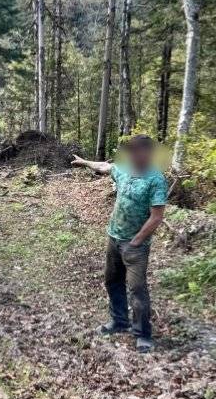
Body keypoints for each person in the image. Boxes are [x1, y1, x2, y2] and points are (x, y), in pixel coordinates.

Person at [71, 134, 168, 353]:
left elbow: (156, 217)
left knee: (137, 290)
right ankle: (119, 321)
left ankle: (143, 335)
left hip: (135, 246)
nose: (133, 154)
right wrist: (85, 162)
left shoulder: (156, 180)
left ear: (148, 152)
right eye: (131, 151)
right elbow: (105, 167)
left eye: (138, 150)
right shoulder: (123, 170)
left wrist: (136, 241)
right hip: (113, 238)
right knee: (112, 281)